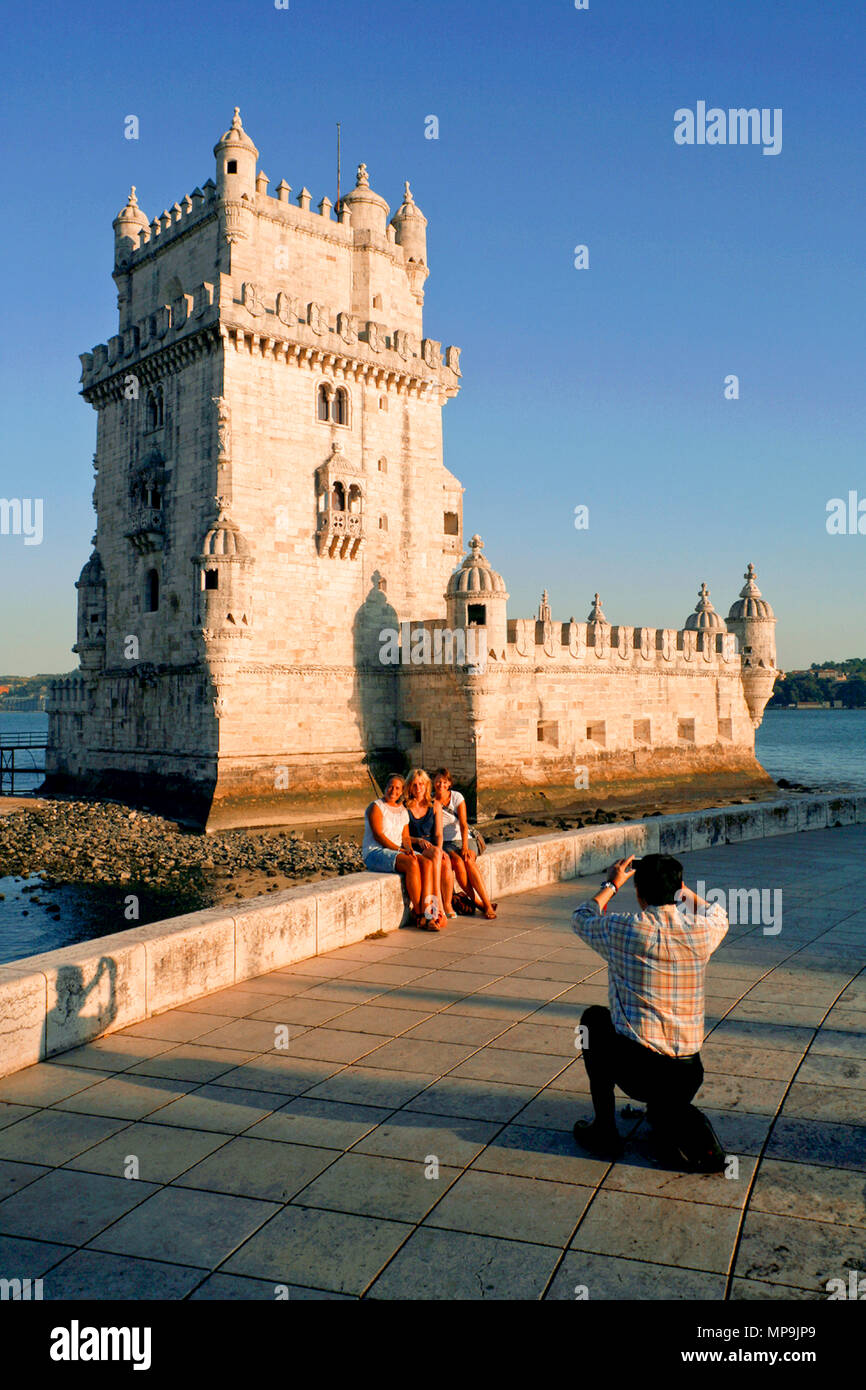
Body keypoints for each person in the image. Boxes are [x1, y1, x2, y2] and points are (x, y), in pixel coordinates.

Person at [570, 852, 729, 1168]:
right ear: (678, 890)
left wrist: (611, 885)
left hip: (639, 1074)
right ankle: (666, 1113)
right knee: (666, 1086)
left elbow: (581, 916)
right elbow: (719, 914)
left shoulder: (626, 929)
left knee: (593, 1020)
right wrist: (682, 888)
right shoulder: (702, 931)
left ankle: (604, 1130)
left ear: (639, 894)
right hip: (688, 1075)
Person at [432, 767, 497, 919]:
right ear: (434, 782)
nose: (441, 784)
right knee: (458, 864)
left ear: (449, 784)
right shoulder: (431, 801)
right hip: (447, 843)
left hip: (465, 839)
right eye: (438, 781)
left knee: (468, 861)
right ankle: (479, 904)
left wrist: (466, 847)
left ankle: (486, 904)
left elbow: (463, 824)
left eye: (444, 782)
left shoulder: (457, 797)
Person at [362, 773, 426, 923]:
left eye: (398, 788)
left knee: (426, 862)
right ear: (385, 787)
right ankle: (418, 912)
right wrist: (401, 851)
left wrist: (409, 850)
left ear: (402, 791)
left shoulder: (403, 811)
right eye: (391, 786)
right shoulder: (376, 807)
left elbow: (405, 837)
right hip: (376, 852)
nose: (393, 791)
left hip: (397, 851)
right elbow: (379, 836)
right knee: (411, 863)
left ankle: (431, 906)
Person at [404, 768, 450, 929]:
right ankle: (438, 909)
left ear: (426, 786)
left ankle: (436, 907)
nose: (418, 788)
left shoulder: (435, 805)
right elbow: (402, 836)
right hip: (413, 847)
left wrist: (440, 849)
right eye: (415, 785)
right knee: (435, 857)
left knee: (438, 854)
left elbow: (438, 834)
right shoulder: (405, 807)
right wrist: (416, 840)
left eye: (421, 784)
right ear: (409, 786)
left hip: (431, 847)